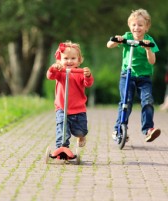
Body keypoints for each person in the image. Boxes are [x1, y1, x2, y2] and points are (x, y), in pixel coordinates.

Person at [107, 8, 161, 142]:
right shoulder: (127, 37)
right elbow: (109, 45)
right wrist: (117, 40)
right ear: (130, 26)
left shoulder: (149, 40)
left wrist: (148, 49)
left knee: (147, 100)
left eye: (140, 25)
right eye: (134, 25)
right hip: (127, 75)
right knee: (126, 101)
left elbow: (152, 61)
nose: (137, 28)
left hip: (144, 77)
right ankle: (119, 129)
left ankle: (148, 129)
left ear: (147, 27)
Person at [47, 41, 94, 150]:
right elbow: (50, 76)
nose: (69, 61)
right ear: (60, 60)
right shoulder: (60, 72)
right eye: (66, 58)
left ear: (79, 60)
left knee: (80, 131)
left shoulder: (80, 73)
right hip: (62, 108)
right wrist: (53, 68)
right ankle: (62, 148)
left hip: (78, 109)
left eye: (73, 58)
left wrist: (88, 76)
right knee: (63, 131)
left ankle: (81, 136)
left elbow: (88, 83)